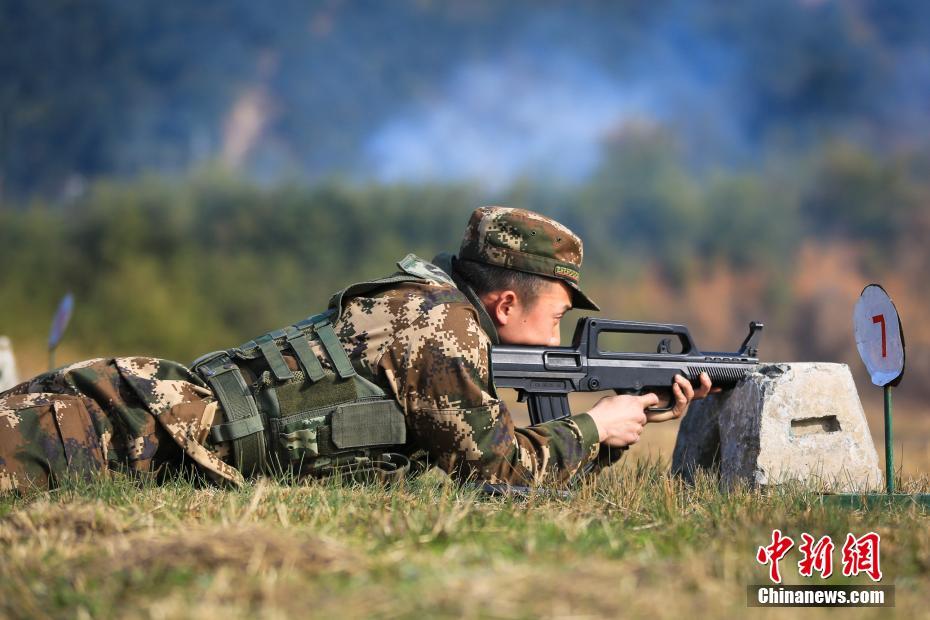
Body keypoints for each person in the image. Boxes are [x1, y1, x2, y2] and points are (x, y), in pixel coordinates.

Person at [0, 207, 713, 494]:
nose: (558, 339)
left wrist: (611, 430)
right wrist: (597, 425)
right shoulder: (443, 328)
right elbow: (498, 475)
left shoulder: (432, 303)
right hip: (131, 428)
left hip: (153, 423)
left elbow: (497, 460)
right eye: (555, 319)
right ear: (504, 304)